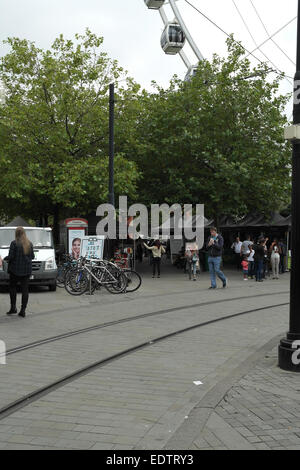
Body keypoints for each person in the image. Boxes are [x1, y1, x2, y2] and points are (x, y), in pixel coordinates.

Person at [3, 227, 34, 317]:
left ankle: (13, 308)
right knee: (25, 290)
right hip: (26, 270)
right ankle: (23, 310)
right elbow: (32, 256)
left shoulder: (14, 243)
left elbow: (11, 256)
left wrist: (5, 258)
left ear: (16, 233)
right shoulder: (29, 243)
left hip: (14, 270)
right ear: (24, 233)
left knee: (13, 288)